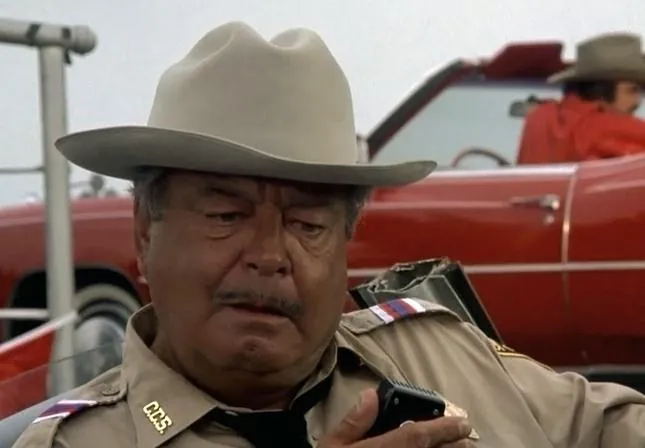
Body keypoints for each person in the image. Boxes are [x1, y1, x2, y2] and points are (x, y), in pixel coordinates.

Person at [12, 21, 645, 448]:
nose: (269, 256)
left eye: (308, 223)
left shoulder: (445, 354)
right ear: (144, 232)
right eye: (225, 215)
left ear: (347, 244)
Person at [517, 32, 645, 164]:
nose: (637, 101)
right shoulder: (608, 129)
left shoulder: (539, 118)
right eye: (632, 91)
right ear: (600, 91)